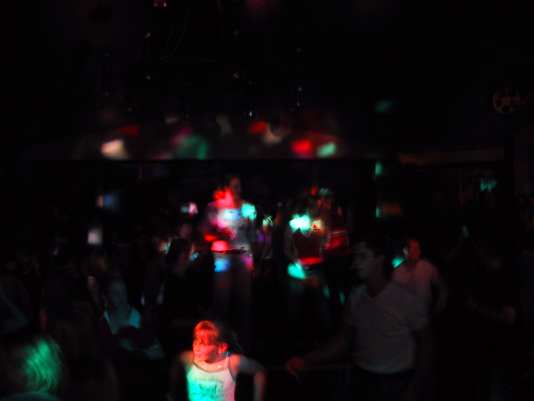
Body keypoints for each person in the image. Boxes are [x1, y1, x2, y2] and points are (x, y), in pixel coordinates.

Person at [286, 234, 430, 401]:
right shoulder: (356, 297)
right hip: (362, 378)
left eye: (362, 256)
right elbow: (344, 340)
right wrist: (306, 360)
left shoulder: (406, 300)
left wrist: (414, 387)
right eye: (355, 257)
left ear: (379, 259)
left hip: (396, 383)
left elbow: (427, 346)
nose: (355, 263)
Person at [201, 175, 257, 348]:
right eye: (234, 186)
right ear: (225, 188)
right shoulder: (214, 207)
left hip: (243, 257)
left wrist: (255, 260)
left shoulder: (248, 207)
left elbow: (253, 236)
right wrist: (219, 234)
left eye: (239, 186)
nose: (238, 190)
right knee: (221, 300)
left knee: (244, 301)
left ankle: (243, 342)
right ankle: (218, 341)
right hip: (222, 257)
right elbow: (204, 233)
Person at [168, 320, 266, 401]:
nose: (196, 347)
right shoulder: (188, 359)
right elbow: (177, 362)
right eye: (196, 340)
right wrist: (172, 394)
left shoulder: (232, 362)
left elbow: (259, 370)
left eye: (203, 343)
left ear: (221, 348)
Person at [393, 237, 448, 318]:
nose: (418, 252)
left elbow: (442, 288)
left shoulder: (428, 267)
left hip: (426, 315)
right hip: (407, 318)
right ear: (406, 251)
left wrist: (439, 306)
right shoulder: (397, 272)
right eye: (414, 249)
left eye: (418, 249)